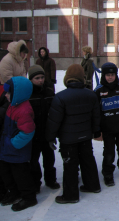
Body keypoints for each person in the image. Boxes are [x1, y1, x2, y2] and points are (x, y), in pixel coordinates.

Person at [46, 64, 101, 204]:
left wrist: (50, 137)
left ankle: (70, 195)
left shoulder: (60, 98)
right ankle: (93, 185)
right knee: (88, 160)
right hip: (86, 136)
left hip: (68, 139)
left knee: (70, 165)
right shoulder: (91, 95)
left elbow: (54, 121)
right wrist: (95, 131)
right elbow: (96, 116)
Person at [0, 77, 37, 211]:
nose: (6, 95)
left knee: (21, 176)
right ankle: (14, 193)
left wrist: (12, 144)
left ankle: (29, 197)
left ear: (18, 93)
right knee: (6, 172)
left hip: (18, 151)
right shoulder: (13, 104)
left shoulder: (24, 110)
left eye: (9, 93)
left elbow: (27, 132)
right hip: (8, 149)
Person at [27, 65, 60, 194]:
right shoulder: (28, 95)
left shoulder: (48, 92)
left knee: (49, 158)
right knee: (33, 160)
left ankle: (50, 179)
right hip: (33, 134)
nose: (40, 80)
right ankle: (36, 182)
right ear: (30, 79)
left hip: (47, 133)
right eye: (37, 78)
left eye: (42, 77)